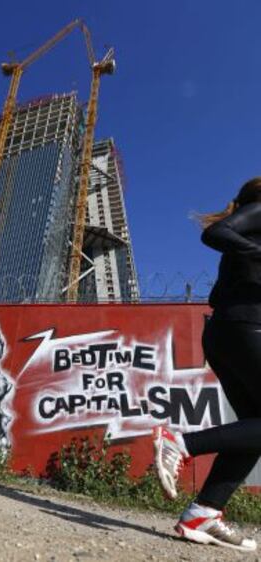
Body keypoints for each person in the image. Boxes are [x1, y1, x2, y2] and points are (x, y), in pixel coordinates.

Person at [153, 177, 261, 552]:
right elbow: (215, 233)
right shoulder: (258, 216)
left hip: (230, 330)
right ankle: (180, 443)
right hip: (245, 328)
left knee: (254, 431)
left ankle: (204, 513)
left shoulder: (247, 242)